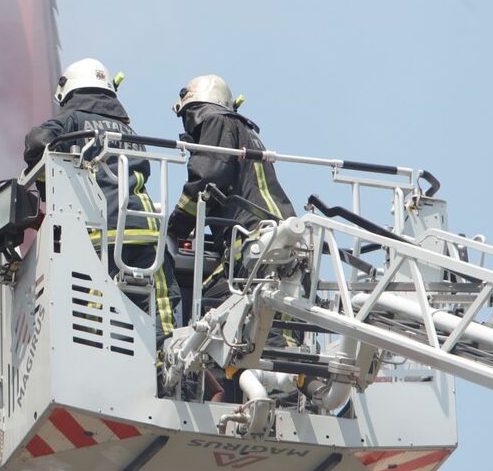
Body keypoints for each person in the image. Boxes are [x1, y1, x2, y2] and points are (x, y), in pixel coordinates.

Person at [24, 58, 180, 341]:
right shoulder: (132, 133)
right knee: (161, 312)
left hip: (102, 234)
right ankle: (167, 369)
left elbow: (38, 142)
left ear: (69, 92)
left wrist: (44, 182)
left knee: (94, 315)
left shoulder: (72, 121)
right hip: (147, 232)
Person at [167, 75, 296, 344]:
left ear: (195, 109)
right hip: (283, 236)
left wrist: (177, 225)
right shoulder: (247, 133)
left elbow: (209, 177)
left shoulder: (215, 121)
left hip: (252, 241)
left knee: (211, 308)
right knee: (284, 321)